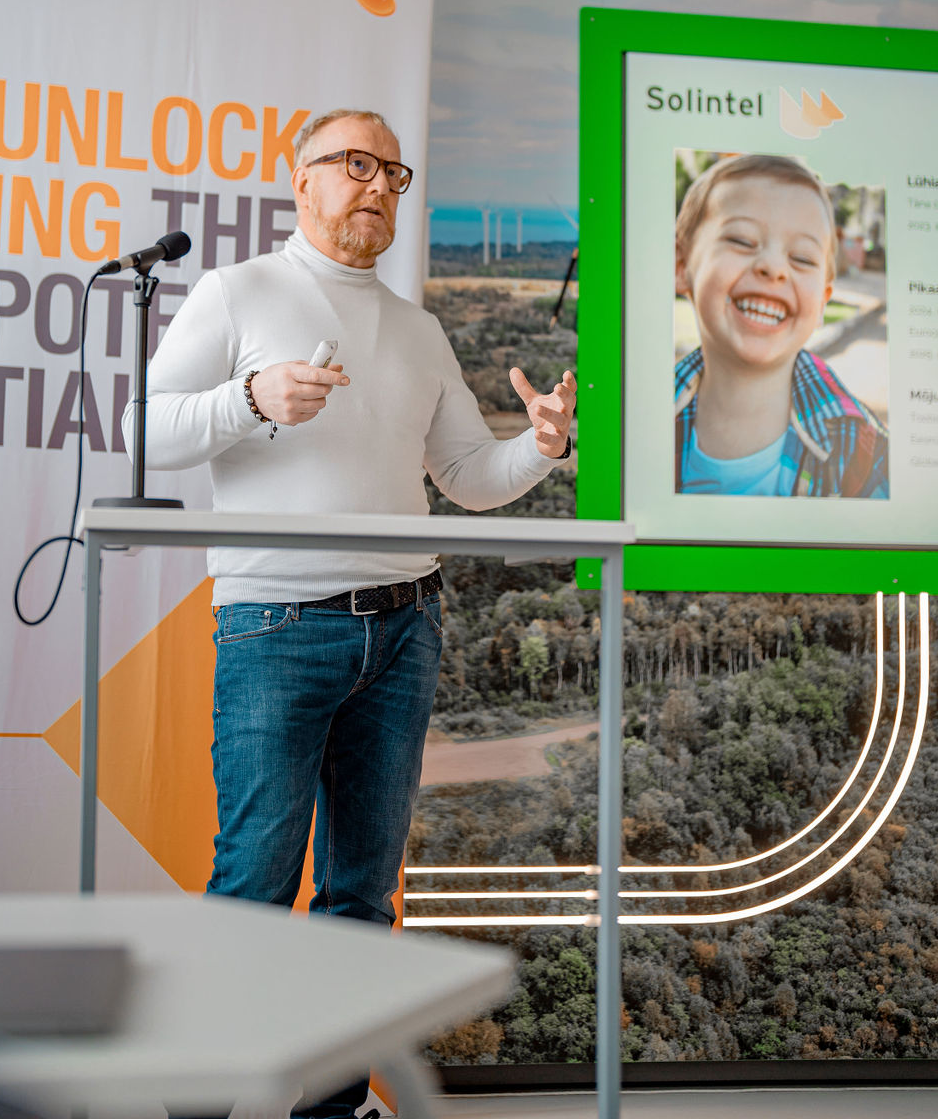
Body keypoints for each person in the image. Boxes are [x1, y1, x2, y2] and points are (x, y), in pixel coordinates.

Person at [128, 107, 575, 1119]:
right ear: (302, 179)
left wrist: (542, 448)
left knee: (362, 897)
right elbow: (141, 432)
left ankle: (330, 1110)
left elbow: (467, 477)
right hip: (276, 630)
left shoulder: (418, 329)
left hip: (405, 630)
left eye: (393, 173)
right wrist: (250, 398)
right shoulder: (237, 291)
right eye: (355, 164)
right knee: (253, 885)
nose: (378, 185)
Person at [674, 152, 888, 498]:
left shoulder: (865, 454)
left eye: (802, 258)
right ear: (681, 265)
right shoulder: (634, 419)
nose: (774, 268)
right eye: (742, 240)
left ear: (822, 302)